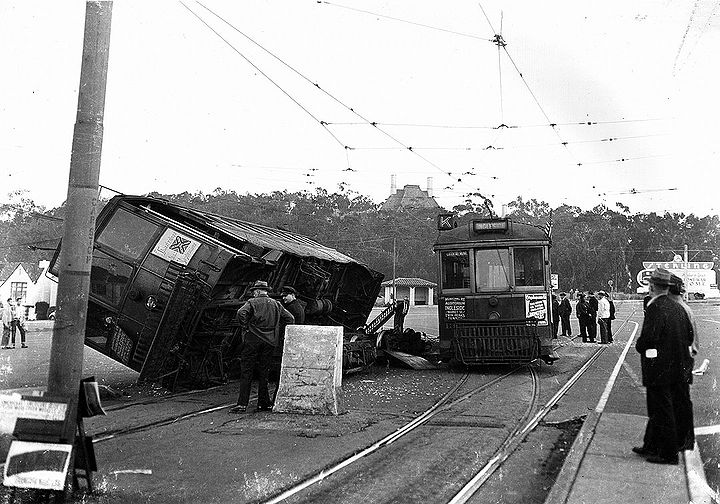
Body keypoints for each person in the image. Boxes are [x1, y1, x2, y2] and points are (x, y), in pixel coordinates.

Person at [633, 268, 694, 465]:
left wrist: (640, 346)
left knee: (660, 409)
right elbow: (689, 336)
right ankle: (651, 445)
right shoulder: (678, 307)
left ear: (651, 286)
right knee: (663, 408)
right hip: (677, 367)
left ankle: (668, 454)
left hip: (658, 368)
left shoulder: (655, 307)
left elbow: (649, 338)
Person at [230, 280, 294, 414]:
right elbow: (290, 318)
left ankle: (242, 404)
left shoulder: (252, 303)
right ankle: (263, 403)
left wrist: (246, 326)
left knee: (247, 371)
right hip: (270, 342)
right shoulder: (276, 304)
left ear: (257, 291)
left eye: (254, 292)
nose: (253, 294)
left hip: (252, 340)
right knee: (264, 372)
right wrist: (279, 331)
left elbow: (241, 313)